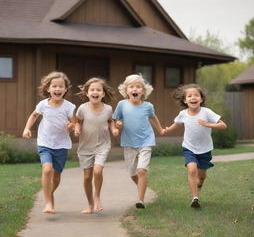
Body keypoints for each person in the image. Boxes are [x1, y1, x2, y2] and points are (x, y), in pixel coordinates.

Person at [165, 84, 227, 208]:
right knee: (192, 169)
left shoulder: (206, 112)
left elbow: (223, 125)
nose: (193, 97)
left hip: (205, 149)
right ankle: (195, 198)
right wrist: (167, 130)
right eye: (190, 96)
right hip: (189, 147)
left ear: (201, 99)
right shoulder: (183, 114)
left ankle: (199, 184)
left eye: (196, 95)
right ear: (184, 100)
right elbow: (176, 123)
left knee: (202, 176)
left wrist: (207, 124)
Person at [22, 71, 76, 213]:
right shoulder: (43, 104)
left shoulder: (69, 107)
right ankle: (48, 203)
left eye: (60, 86)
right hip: (45, 142)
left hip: (62, 145)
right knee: (47, 170)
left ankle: (49, 193)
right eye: (54, 86)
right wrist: (27, 128)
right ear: (48, 89)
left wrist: (71, 127)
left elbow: (74, 124)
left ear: (65, 90)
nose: (57, 89)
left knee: (56, 176)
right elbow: (33, 116)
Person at [113, 74, 165, 209]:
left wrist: (160, 129)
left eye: (138, 87)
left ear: (143, 91)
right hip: (128, 142)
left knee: (142, 170)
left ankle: (140, 200)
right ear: (126, 90)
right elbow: (116, 120)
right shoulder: (122, 105)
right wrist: (117, 126)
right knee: (133, 174)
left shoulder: (148, 106)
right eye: (131, 87)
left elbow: (154, 118)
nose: (134, 89)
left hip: (146, 140)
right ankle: (142, 186)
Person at [74, 77, 119, 214]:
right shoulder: (82, 108)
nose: (95, 92)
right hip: (85, 147)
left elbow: (111, 121)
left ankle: (97, 196)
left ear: (103, 94)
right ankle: (90, 204)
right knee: (87, 176)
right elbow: (78, 121)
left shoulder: (108, 109)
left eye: (98, 90)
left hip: (102, 145)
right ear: (87, 93)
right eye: (92, 90)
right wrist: (77, 128)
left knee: (98, 171)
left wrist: (114, 129)